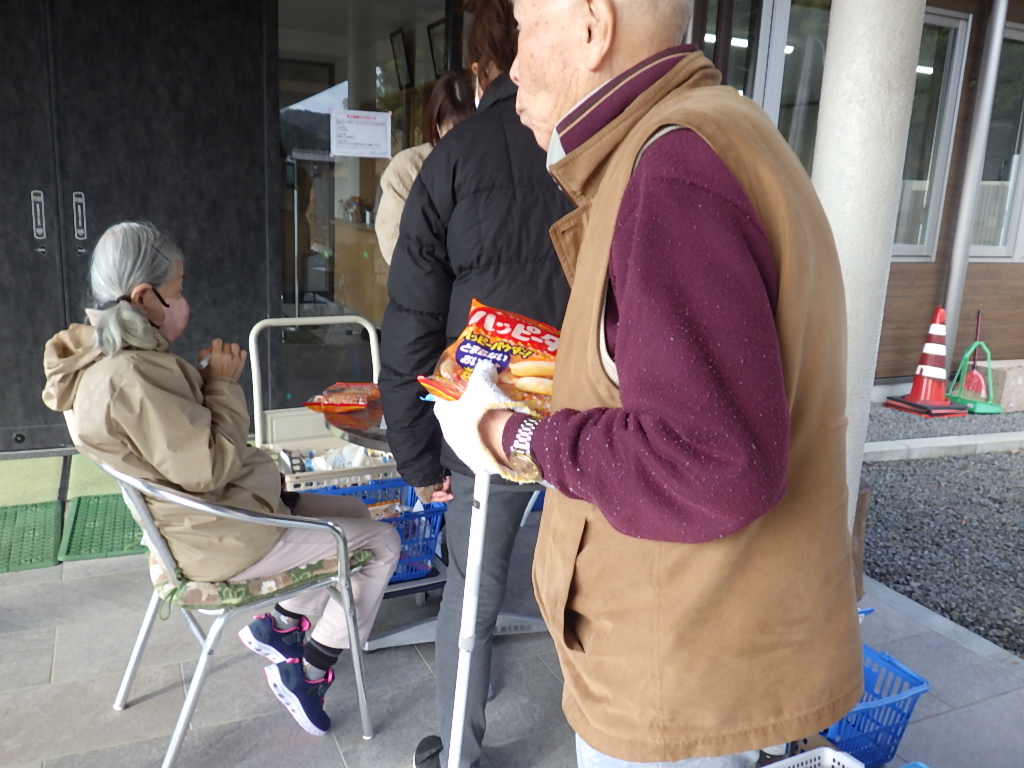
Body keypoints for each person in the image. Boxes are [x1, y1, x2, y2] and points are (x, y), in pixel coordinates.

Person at [431, 0, 865, 766]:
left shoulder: (673, 167)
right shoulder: (725, 131)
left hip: (678, 681)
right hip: (715, 656)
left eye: (526, 29)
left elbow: (711, 460)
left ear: (593, 27)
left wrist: (511, 434)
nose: (514, 69)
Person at [42, 221, 401, 738]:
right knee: (384, 543)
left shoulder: (101, 355)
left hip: (214, 516)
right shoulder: (129, 377)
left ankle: (280, 626)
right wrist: (223, 384)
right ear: (142, 297)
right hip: (220, 533)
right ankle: (308, 672)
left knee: (355, 513)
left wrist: (209, 386)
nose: (185, 301)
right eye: (178, 289)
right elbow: (208, 468)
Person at [377, 0, 573, 765]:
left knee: (474, 587)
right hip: (592, 410)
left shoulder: (453, 159)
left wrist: (417, 456)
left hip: (486, 422)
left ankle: (459, 751)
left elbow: (412, 319)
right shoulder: (597, 144)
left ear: (479, 69)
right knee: (601, 577)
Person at [375, 69, 475, 264]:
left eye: (471, 130)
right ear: (438, 126)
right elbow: (394, 245)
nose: (462, 140)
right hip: (427, 280)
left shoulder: (490, 163)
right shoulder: (407, 167)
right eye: (453, 131)